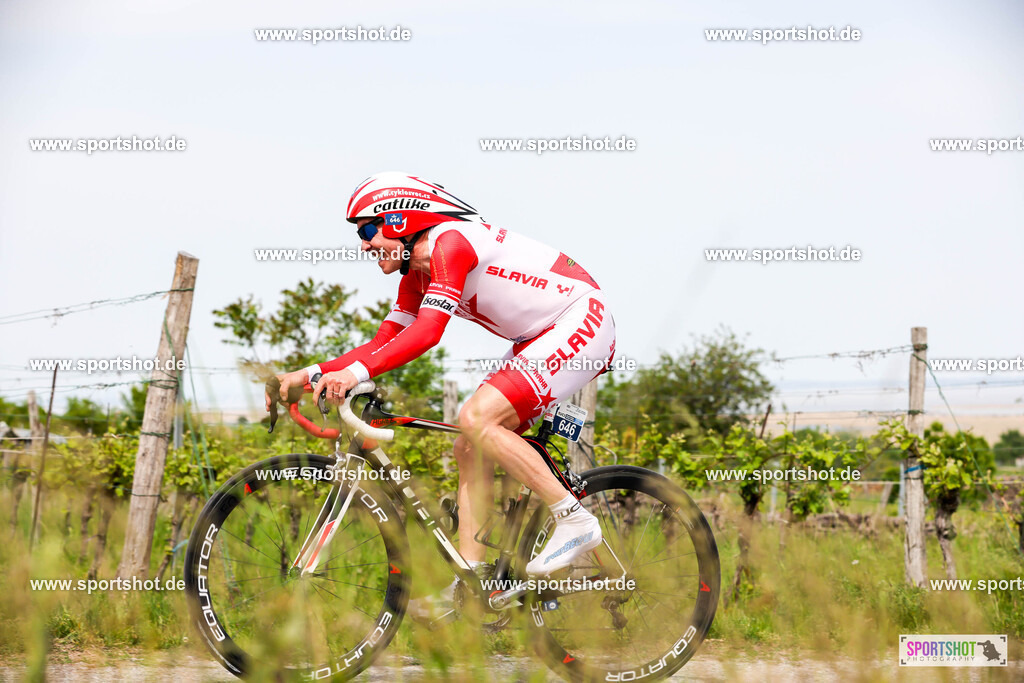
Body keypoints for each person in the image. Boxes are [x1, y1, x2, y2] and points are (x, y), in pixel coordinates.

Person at [266, 172, 616, 617]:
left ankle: (574, 519)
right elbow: (384, 343)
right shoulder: (416, 275)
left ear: (399, 219)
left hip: (579, 319)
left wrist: (353, 376)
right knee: (469, 444)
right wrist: (308, 374)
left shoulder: (451, 245)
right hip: (536, 337)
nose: (364, 245)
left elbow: (428, 333)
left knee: (477, 418)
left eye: (367, 230)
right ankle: (471, 582)